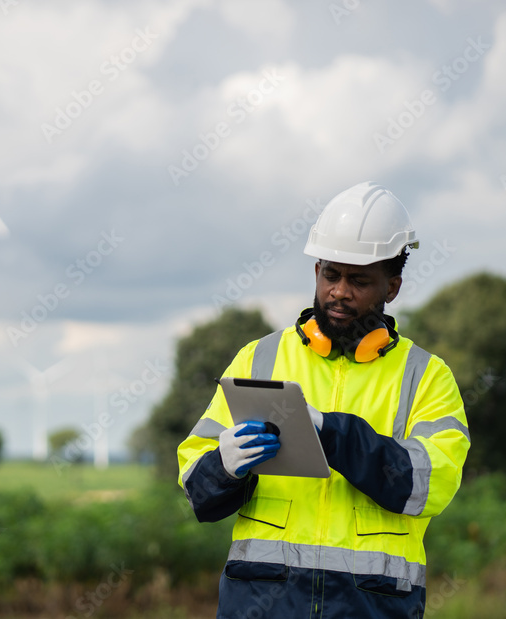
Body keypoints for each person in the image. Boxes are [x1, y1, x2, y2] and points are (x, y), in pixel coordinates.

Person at [177, 182, 470, 618]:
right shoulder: (258, 358)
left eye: (359, 280)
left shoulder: (426, 376)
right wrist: (223, 466)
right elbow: (197, 492)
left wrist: (332, 434)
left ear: (392, 287)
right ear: (316, 271)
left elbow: (429, 486)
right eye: (331, 274)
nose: (339, 292)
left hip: (369, 606)